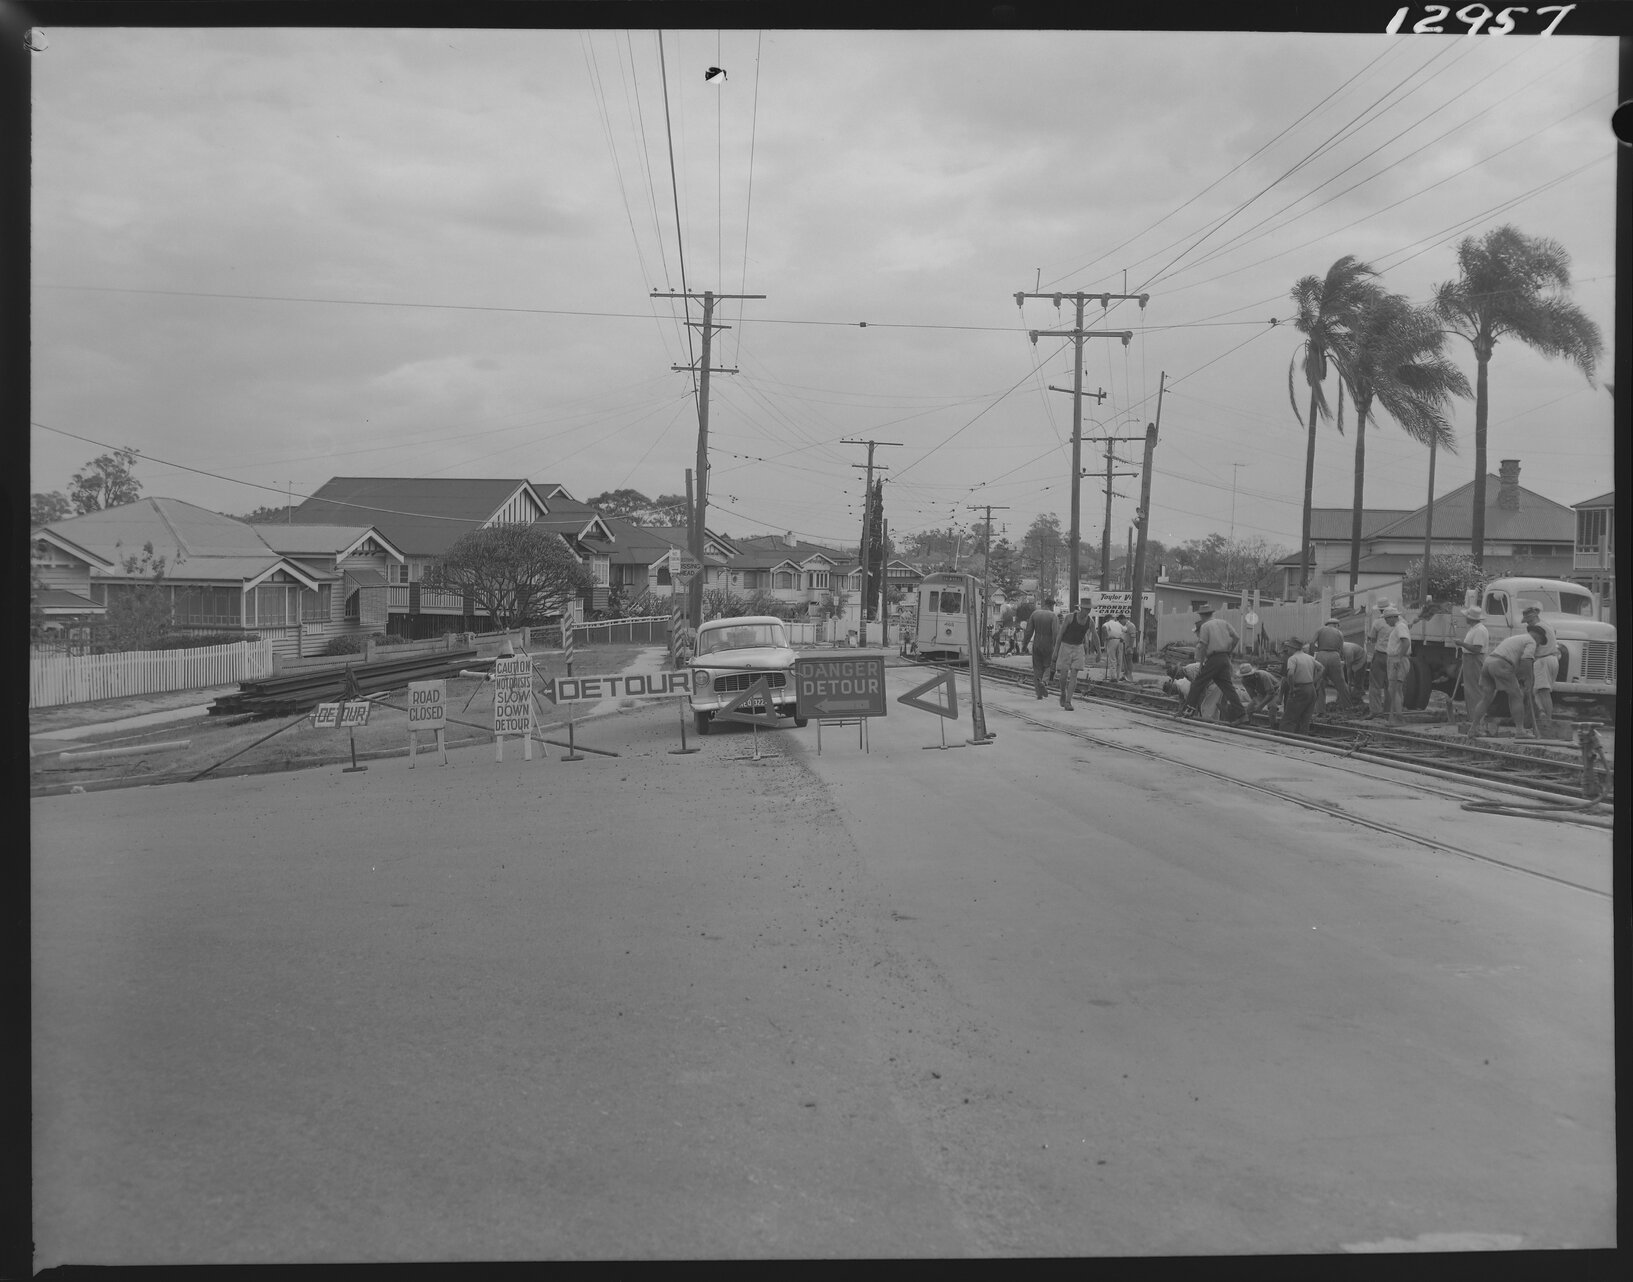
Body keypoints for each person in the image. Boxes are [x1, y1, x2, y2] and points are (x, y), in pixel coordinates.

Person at [1467, 624, 1541, 738]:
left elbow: (1517, 661)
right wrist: (1529, 680)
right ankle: (1520, 731)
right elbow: (1526, 661)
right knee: (1517, 696)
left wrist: (1522, 677)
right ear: (1538, 637)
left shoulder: (1516, 638)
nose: (1539, 645)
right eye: (1541, 642)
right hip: (1501, 664)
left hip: (1489, 662)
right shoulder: (1531, 641)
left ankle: (1473, 729)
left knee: (1486, 698)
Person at [1180, 603, 1246, 723]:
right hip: (1225, 658)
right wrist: (1229, 651)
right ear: (1211, 613)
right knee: (1227, 687)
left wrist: (1201, 665)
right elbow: (1236, 637)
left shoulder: (1205, 626)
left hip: (1214, 658)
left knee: (1197, 683)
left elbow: (1204, 645)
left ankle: (1188, 710)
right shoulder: (1223, 623)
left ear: (1201, 615)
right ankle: (1242, 715)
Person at [1519, 601, 1559, 738]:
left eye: (1528, 621)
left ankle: (1547, 722)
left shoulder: (1536, 629)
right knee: (1539, 692)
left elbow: (1531, 647)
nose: (1527, 624)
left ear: (1531, 618)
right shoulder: (1546, 624)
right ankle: (1542, 719)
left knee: (1543, 692)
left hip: (1543, 660)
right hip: (1553, 658)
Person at [1452, 605, 1488, 734]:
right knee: (1470, 690)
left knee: (1475, 691)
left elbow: (1477, 649)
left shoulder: (1479, 630)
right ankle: (1474, 719)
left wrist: (1461, 644)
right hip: (1469, 659)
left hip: (1474, 659)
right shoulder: (1474, 629)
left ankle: (1477, 721)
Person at [1053, 601, 1095, 709]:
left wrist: (1098, 651)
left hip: (1078, 647)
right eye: (1086, 609)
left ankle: (1068, 701)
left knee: (1074, 674)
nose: (1087, 611)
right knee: (1063, 675)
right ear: (1081, 608)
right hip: (1065, 646)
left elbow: (1095, 636)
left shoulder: (1090, 622)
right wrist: (1056, 651)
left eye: (1089, 609)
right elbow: (1060, 634)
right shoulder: (1070, 618)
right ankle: (1063, 692)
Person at [1021, 596, 1060, 700]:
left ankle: (1038, 693)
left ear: (1044, 604)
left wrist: (1024, 645)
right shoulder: (1053, 616)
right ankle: (1044, 681)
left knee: (1037, 667)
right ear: (1052, 605)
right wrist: (1057, 648)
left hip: (1037, 643)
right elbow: (1056, 634)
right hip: (1049, 644)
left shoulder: (1035, 614)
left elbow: (1028, 631)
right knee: (1048, 665)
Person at [1279, 638, 1321, 734]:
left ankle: (1285, 740)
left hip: (1299, 689)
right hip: (1311, 690)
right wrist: (1313, 682)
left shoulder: (1293, 659)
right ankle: (1302, 739)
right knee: (1305, 719)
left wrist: (1292, 688)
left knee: (1288, 719)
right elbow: (1321, 668)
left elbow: (1290, 674)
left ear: (1293, 648)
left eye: (1288, 648)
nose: (1287, 650)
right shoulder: (1309, 657)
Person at [1312, 616, 1353, 711]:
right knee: (1341, 683)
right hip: (1335, 656)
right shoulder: (1339, 633)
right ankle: (1347, 707)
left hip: (1321, 655)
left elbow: (1312, 643)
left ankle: (1320, 709)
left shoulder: (1320, 630)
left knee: (1320, 683)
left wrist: (1313, 654)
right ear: (1336, 625)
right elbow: (1341, 649)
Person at [1363, 601, 1396, 717]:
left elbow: (1371, 638)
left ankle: (1375, 710)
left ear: (1380, 610)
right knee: (1390, 685)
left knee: (1375, 685)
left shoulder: (1378, 623)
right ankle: (1388, 711)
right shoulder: (1399, 622)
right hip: (1393, 656)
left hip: (1380, 655)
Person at [1383, 604, 1413, 723]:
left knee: (1394, 688)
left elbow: (1405, 642)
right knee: (1396, 689)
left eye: (1386, 619)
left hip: (1397, 659)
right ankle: (1398, 715)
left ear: (1391, 617)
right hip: (1396, 658)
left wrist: (1398, 658)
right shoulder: (1400, 626)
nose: (1386, 622)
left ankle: (1398, 717)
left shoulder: (1400, 627)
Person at [1101, 613, 1125, 683]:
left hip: (1112, 640)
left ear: (1107, 619)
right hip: (1120, 640)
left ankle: (1113, 677)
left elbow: (1104, 627)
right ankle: (1118, 677)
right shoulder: (1118, 624)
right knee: (1119, 659)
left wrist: (1106, 637)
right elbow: (1125, 629)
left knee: (1112, 659)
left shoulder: (1107, 623)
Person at [1117, 614, 1135, 679]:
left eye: (1120, 621)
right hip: (1124, 645)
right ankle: (1125, 674)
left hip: (1129, 646)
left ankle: (1129, 675)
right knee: (1124, 661)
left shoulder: (1130, 625)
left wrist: (1130, 647)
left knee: (1129, 660)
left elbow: (1133, 637)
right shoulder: (1124, 626)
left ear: (1123, 619)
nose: (1120, 623)